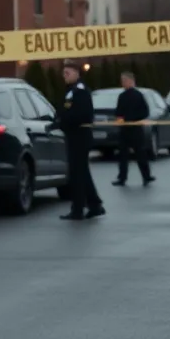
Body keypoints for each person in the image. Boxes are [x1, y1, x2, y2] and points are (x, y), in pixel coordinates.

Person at [54, 60, 105, 221]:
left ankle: (77, 210)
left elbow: (83, 115)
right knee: (82, 172)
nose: (65, 76)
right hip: (73, 136)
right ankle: (95, 205)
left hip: (80, 136)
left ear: (76, 73)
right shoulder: (70, 91)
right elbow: (63, 110)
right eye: (64, 74)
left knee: (77, 174)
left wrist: (63, 121)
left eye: (68, 73)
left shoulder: (81, 92)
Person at [113, 71, 155, 187]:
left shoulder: (138, 95)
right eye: (122, 81)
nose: (123, 83)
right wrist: (120, 120)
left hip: (136, 129)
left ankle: (146, 176)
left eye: (124, 80)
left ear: (131, 81)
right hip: (125, 130)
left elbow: (145, 112)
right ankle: (122, 178)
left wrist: (133, 119)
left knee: (140, 154)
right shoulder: (122, 96)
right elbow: (118, 112)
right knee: (123, 155)